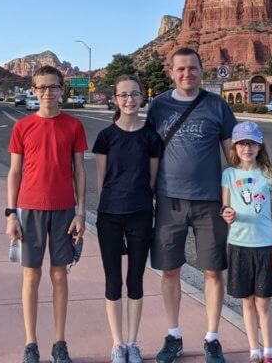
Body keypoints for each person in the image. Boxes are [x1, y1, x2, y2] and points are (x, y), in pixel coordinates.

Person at [147, 48, 238, 363]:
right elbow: (150, 153)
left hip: (209, 202)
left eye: (193, 68)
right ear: (171, 72)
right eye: (181, 69)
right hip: (169, 199)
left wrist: (244, 194)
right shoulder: (158, 106)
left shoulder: (217, 106)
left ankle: (212, 337)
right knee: (169, 269)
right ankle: (173, 335)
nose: (187, 74)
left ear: (202, 70)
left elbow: (232, 155)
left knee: (213, 271)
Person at [6, 65, 88, 363]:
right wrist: (11, 214)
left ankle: (59, 343)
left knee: (59, 276)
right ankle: (31, 344)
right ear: (33, 90)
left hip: (65, 211)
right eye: (42, 87)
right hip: (30, 211)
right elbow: (14, 172)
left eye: (53, 87)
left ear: (61, 89)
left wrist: (81, 212)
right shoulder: (22, 127)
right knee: (31, 276)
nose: (48, 93)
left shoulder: (74, 126)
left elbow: (79, 170)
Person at [93, 75, 163, 363]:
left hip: (140, 215)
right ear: (115, 99)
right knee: (113, 281)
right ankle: (117, 344)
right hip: (109, 216)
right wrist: (107, 207)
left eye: (134, 94)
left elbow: (152, 180)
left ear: (142, 97)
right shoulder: (105, 137)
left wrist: (139, 202)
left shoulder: (151, 137)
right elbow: (101, 181)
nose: (130, 100)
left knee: (135, 279)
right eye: (123, 95)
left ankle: (133, 343)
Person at [220, 122, 272, 363]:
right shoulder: (229, 175)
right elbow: (225, 207)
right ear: (234, 147)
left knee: (263, 302)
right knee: (247, 301)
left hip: (264, 246)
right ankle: (254, 350)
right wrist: (227, 213)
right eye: (242, 143)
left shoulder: (269, 174)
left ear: (259, 146)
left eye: (251, 143)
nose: (246, 148)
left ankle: (269, 351)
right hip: (239, 245)